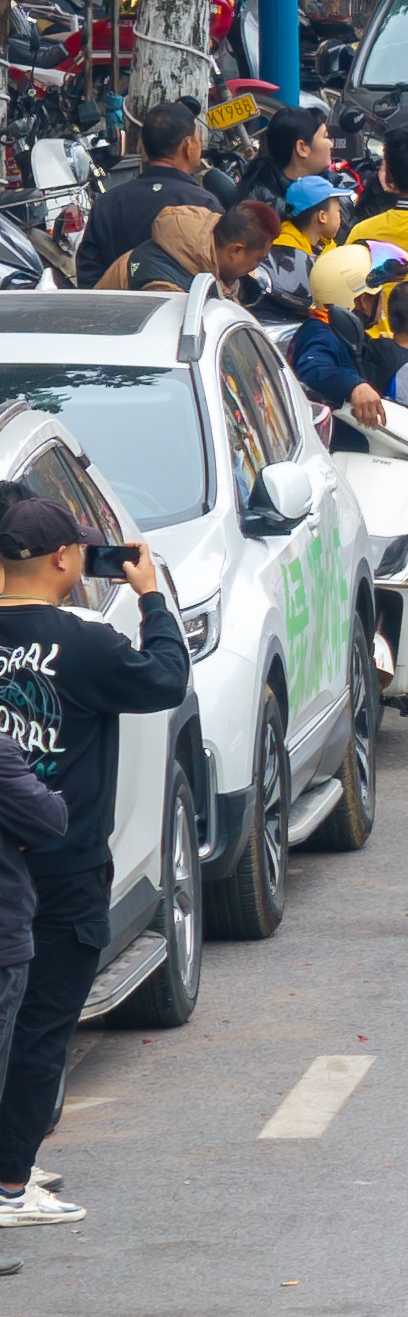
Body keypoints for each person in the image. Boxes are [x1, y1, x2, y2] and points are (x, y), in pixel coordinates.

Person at [0, 486, 191, 1229]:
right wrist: (151, 598)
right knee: (43, 1027)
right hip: (65, 866)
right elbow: (165, 679)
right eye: (80, 548)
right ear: (61, 558)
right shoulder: (85, 643)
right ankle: (10, 1185)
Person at [71, 98, 218, 286]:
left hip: (117, 304)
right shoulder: (204, 205)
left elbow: (89, 277)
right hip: (184, 305)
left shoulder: (107, 203)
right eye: (199, 139)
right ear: (188, 146)